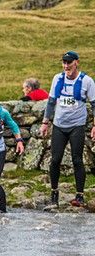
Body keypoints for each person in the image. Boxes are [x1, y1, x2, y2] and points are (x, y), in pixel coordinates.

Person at [41, 51, 95, 208]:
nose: (66, 66)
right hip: (59, 125)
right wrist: (45, 122)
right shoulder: (57, 78)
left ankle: (79, 195)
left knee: (77, 159)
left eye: (69, 63)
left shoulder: (87, 81)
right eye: (64, 63)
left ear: (76, 63)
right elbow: (51, 102)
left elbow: (94, 104)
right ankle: (54, 192)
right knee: (55, 159)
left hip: (76, 126)